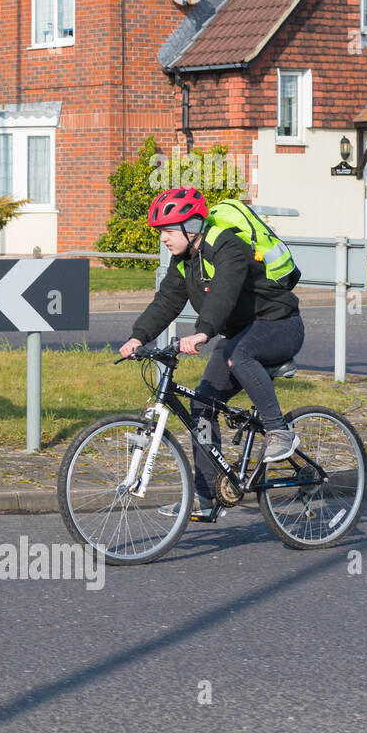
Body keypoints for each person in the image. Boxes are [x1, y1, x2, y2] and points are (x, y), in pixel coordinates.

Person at [119, 186, 304, 512]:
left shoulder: (227, 246)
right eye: (160, 232)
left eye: (168, 230)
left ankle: (280, 432)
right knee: (202, 405)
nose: (163, 238)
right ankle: (207, 498)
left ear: (191, 227)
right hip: (241, 333)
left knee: (239, 355)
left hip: (279, 324)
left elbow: (224, 292)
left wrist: (203, 332)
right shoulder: (184, 261)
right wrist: (138, 337)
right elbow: (166, 302)